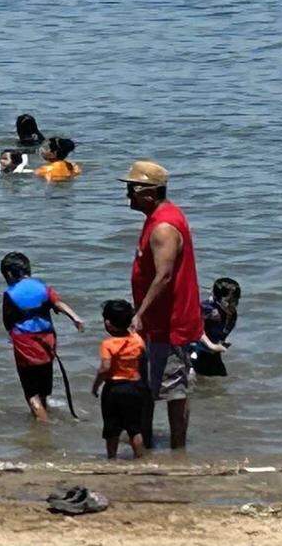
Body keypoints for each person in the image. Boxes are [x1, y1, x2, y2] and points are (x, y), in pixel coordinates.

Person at [122, 160, 202, 449]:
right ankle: (149, 443)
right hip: (157, 321)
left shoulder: (164, 227)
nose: (127, 196)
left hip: (169, 323)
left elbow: (164, 276)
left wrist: (139, 314)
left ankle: (178, 450)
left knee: (173, 390)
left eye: (132, 189)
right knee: (153, 385)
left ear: (149, 192)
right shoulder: (157, 217)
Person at [0, 252, 84, 422]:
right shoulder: (43, 288)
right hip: (47, 341)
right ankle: (43, 414)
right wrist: (75, 317)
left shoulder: (10, 294)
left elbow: (7, 321)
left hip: (25, 343)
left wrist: (12, 335)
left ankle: (43, 429)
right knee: (44, 389)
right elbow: (58, 304)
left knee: (31, 393)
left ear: (8, 274)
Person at [91, 299, 148, 460]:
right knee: (134, 429)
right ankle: (140, 458)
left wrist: (96, 386)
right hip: (135, 387)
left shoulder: (108, 344)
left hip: (114, 389)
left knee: (111, 429)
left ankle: (112, 458)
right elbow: (143, 359)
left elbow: (105, 368)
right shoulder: (137, 340)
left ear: (108, 323)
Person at [189, 277, 240, 377]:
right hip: (195, 351)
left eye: (236, 300)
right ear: (217, 299)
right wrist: (211, 345)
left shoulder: (231, 314)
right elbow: (195, 327)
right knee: (193, 378)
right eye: (229, 301)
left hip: (212, 353)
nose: (233, 304)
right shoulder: (208, 309)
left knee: (220, 378)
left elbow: (223, 330)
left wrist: (220, 343)